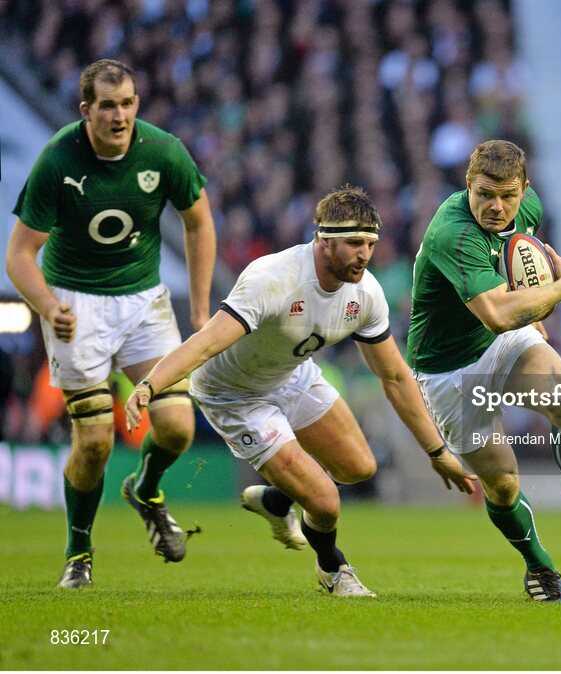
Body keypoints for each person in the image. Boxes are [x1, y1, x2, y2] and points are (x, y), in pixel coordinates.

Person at [125, 186, 477, 598]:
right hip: (234, 394)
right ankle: (333, 568)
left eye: (370, 243)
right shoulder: (273, 279)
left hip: (292, 375)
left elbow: (396, 377)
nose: (364, 254)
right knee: (326, 503)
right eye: (353, 244)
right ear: (323, 241)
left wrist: (437, 453)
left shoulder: (365, 293)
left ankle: (277, 501)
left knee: (360, 468)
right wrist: (152, 383)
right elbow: (205, 342)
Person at [5, 59, 216, 589]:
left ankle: (146, 488)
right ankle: (79, 552)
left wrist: (198, 311)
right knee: (95, 441)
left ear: (136, 104)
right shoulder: (58, 159)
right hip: (76, 303)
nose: (120, 115)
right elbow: (20, 255)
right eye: (107, 106)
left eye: (127, 103)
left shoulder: (164, 152)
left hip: (143, 299)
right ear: (87, 111)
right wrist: (48, 306)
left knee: (177, 427)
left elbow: (199, 222)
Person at [405, 140, 561, 603]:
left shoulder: (528, 207)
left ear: (524, 188)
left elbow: (517, 270)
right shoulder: (455, 233)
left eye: (507, 195)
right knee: (503, 484)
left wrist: (535, 313)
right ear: (468, 183)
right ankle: (539, 568)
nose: (496, 206)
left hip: (504, 342)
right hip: (448, 369)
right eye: (485, 193)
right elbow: (495, 313)